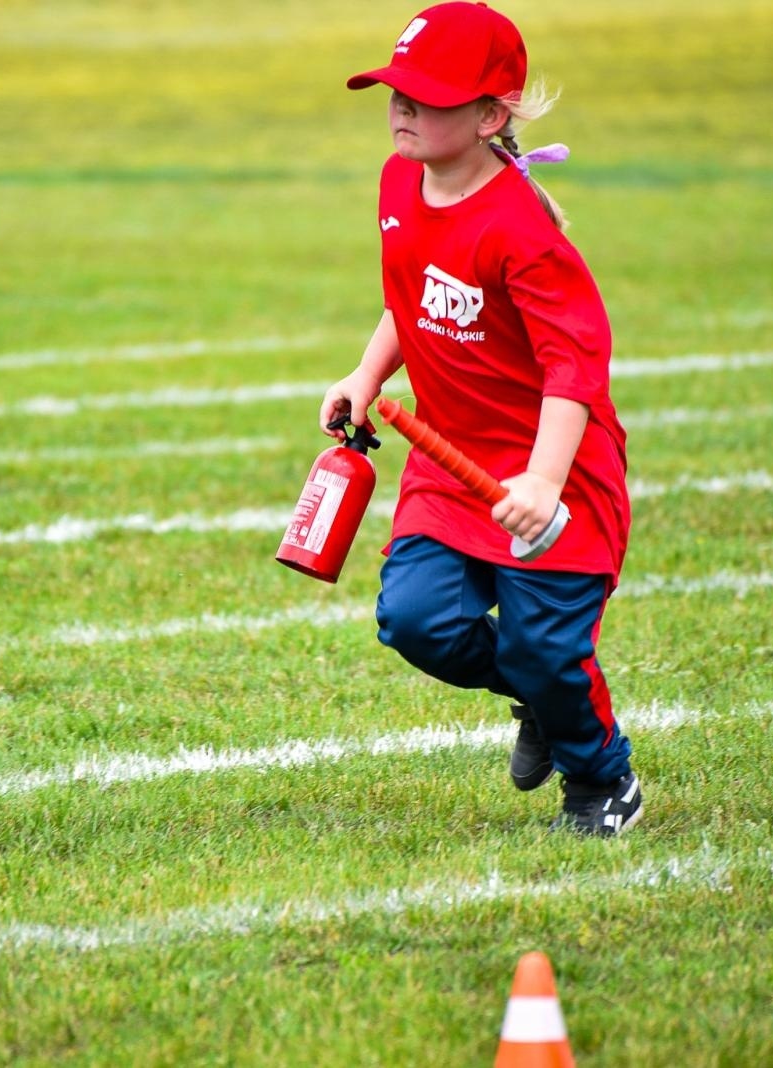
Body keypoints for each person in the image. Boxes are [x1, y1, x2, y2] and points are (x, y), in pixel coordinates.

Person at [320, 1, 640, 836]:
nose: (402, 108)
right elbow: (412, 293)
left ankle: (603, 778)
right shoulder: (399, 182)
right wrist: (365, 372)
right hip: (450, 460)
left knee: (545, 648)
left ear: (491, 115)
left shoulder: (520, 229)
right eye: (395, 90)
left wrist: (543, 477)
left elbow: (576, 363)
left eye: (426, 97)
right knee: (416, 620)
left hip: (554, 472)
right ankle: (541, 693)